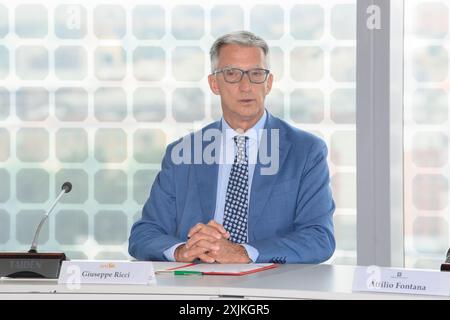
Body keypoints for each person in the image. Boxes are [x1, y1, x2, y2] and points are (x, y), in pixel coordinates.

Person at [129, 31, 335, 264]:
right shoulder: (184, 153)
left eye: (256, 74)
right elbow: (143, 234)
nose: (246, 86)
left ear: (268, 83)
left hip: (271, 287)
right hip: (195, 285)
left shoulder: (306, 151)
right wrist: (181, 251)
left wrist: (242, 252)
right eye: (232, 74)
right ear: (214, 83)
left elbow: (320, 239)